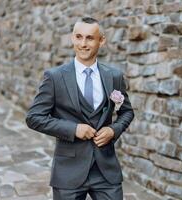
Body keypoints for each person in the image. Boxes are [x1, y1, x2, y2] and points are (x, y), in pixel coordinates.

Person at [25, 17, 134, 200]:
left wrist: (113, 130)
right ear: (72, 38)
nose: (83, 44)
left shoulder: (114, 77)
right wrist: (73, 129)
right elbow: (34, 117)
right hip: (68, 171)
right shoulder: (55, 77)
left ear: (102, 41)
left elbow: (126, 111)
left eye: (90, 38)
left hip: (106, 171)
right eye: (79, 37)